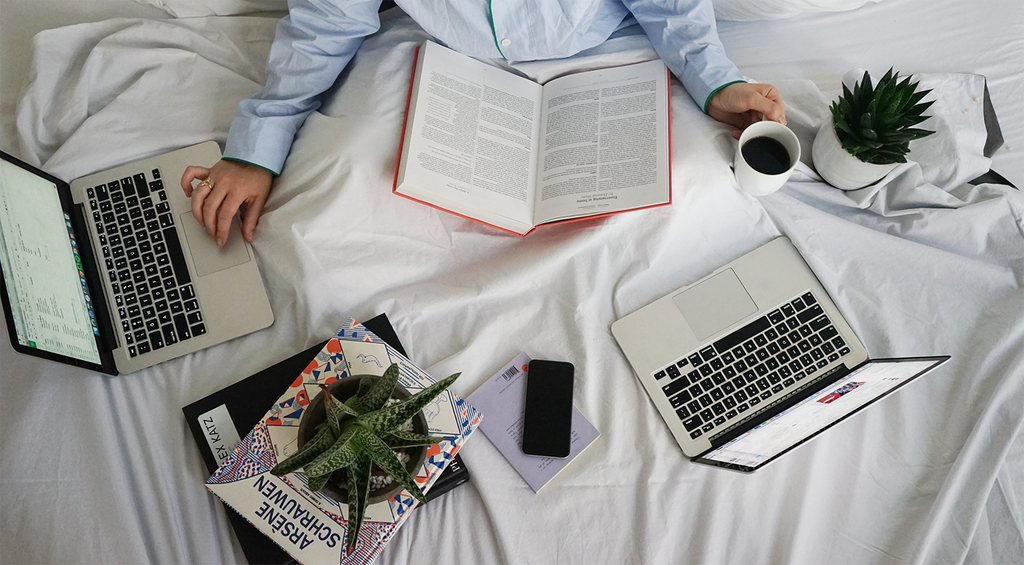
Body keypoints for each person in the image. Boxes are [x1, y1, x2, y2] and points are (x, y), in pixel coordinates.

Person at [181, 0, 786, 246]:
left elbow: (669, 6)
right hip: (438, 52)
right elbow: (328, 22)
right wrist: (258, 143)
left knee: (681, 204)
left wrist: (716, 81)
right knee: (340, 208)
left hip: (605, 48)